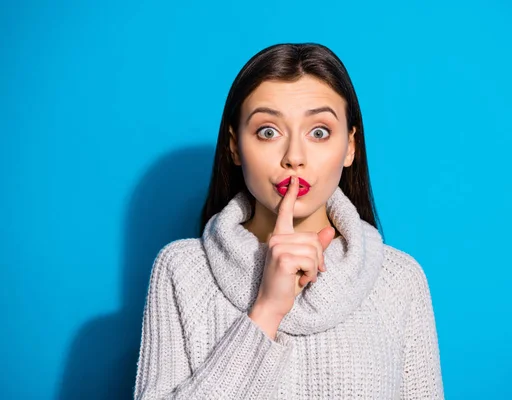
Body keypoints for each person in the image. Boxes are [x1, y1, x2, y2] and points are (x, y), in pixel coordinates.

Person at [133, 42, 444, 399]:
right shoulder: (183, 271)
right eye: (268, 131)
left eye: (319, 132)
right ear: (235, 146)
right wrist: (266, 311)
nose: (294, 157)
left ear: (350, 147)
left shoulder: (399, 280)